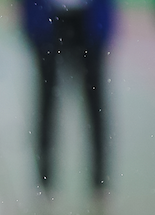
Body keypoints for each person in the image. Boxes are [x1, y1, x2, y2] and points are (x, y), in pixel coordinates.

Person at [19, 0, 116, 200]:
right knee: (46, 101)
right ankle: (44, 182)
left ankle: (100, 183)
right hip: (47, 15)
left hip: (89, 16)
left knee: (95, 102)